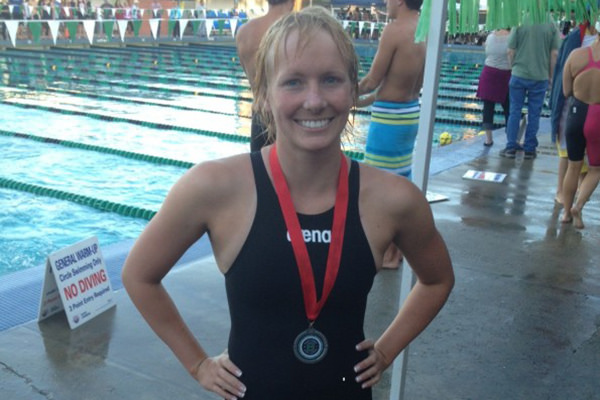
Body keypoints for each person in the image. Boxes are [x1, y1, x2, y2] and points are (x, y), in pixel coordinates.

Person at [122, 6, 454, 400]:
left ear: (353, 89)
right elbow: (139, 275)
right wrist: (198, 364)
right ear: (264, 95)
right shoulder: (213, 187)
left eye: (331, 80)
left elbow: (437, 280)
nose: (314, 101)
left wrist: (385, 350)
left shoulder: (393, 199)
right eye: (293, 82)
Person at [356, 0, 425, 269]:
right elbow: (394, 85)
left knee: (377, 187)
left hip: (388, 119)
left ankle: (385, 253)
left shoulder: (394, 30)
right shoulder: (426, 29)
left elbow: (373, 80)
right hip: (409, 113)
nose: (385, 2)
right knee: (398, 183)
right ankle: (394, 252)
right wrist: (357, 102)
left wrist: (341, 91)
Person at [235, 0, 294, 152]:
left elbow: (249, 74)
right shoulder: (295, 30)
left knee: (259, 171)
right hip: (289, 116)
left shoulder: (244, 32)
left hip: (259, 116)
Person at [549, 20, 596, 204]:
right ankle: (574, 200)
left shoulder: (576, 46)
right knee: (578, 160)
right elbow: (563, 82)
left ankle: (571, 204)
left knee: (573, 160)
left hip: (576, 107)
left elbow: (564, 84)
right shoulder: (575, 39)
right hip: (581, 108)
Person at [500, 21, 560, 159]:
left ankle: (510, 147)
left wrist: (512, 68)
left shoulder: (520, 21)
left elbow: (510, 51)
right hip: (540, 76)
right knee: (534, 113)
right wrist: (550, 76)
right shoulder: (551, 24)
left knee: (514, 111)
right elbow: (555, 54)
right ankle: (529, 149)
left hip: (518, 74)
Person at [560, 22, 600, 229]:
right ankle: (579, 205)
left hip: (576, 113)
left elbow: (566, 90)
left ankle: (566, 213)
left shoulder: (576, 55)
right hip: (597, 116)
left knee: (573, 166)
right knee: (595, 169)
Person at [476, 28, 512, 147]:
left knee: (488, 107)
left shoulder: (490, 37)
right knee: (508, 108)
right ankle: (510, 138)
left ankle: (488, 139)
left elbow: (487, 52)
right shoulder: (511, 37)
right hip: (505, 74)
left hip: (489, 73)